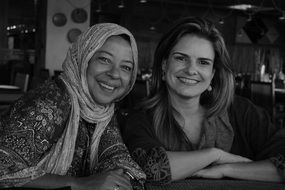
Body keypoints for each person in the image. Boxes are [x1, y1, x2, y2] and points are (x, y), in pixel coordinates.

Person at [122, 17, 285, 185]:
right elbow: (151, 169)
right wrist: (215, 155)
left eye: (203, 62)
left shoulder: (242, 112)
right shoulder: (139, 118)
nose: (191, 70)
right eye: (181, 58)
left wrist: (226, 169)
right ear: (164, 64)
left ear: (213, 73)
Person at [0, 23, 145, 190]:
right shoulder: (51, 102)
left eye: (126, 67)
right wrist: (78, 184)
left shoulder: (101, 111)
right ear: (84, 58)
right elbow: (3, 166)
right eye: (104, 59)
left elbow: (115, 155)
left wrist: (122, 177)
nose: (114, 73)